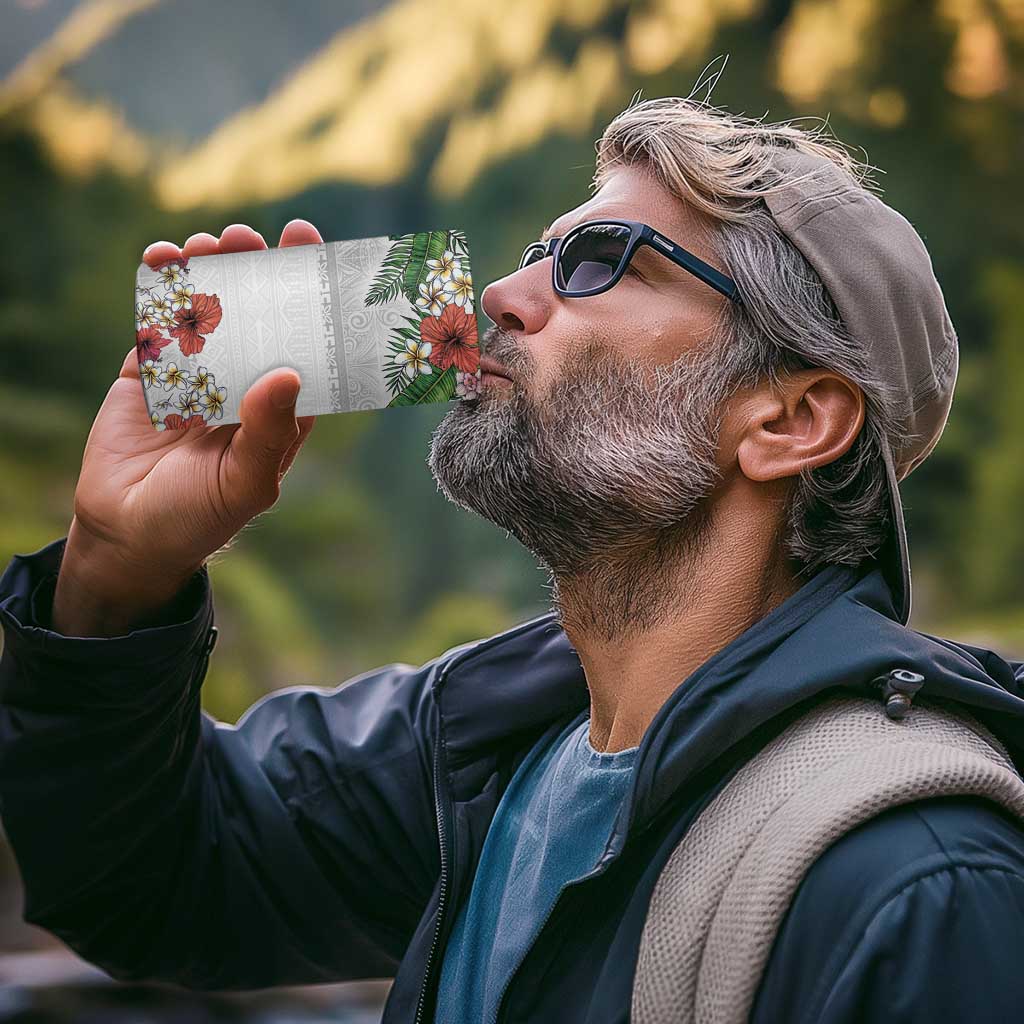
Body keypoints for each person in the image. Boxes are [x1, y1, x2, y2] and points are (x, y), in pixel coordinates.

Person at [2, 95, 1024, 1024]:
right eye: (540, 252)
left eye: (599, 261)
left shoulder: (918, 884)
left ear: (791, 419)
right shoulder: (480, 749)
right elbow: (149, 879)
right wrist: (115, 571)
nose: (501, 291)